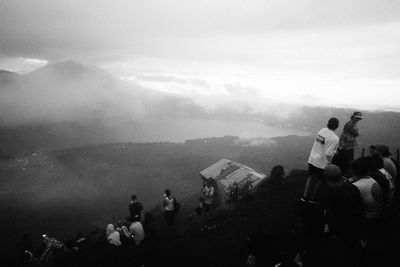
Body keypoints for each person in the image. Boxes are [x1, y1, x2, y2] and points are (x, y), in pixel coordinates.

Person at [324, 164, 364, 267]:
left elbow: (333, 218)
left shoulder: (333, 196)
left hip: (341, 234)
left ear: (327, 179)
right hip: (356, 230)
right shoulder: (353, 188)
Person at [351, 158, 383, 240]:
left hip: (367, 220)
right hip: (378, 216)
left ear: (353, 171)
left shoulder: (357, 186)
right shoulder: (372, 180)